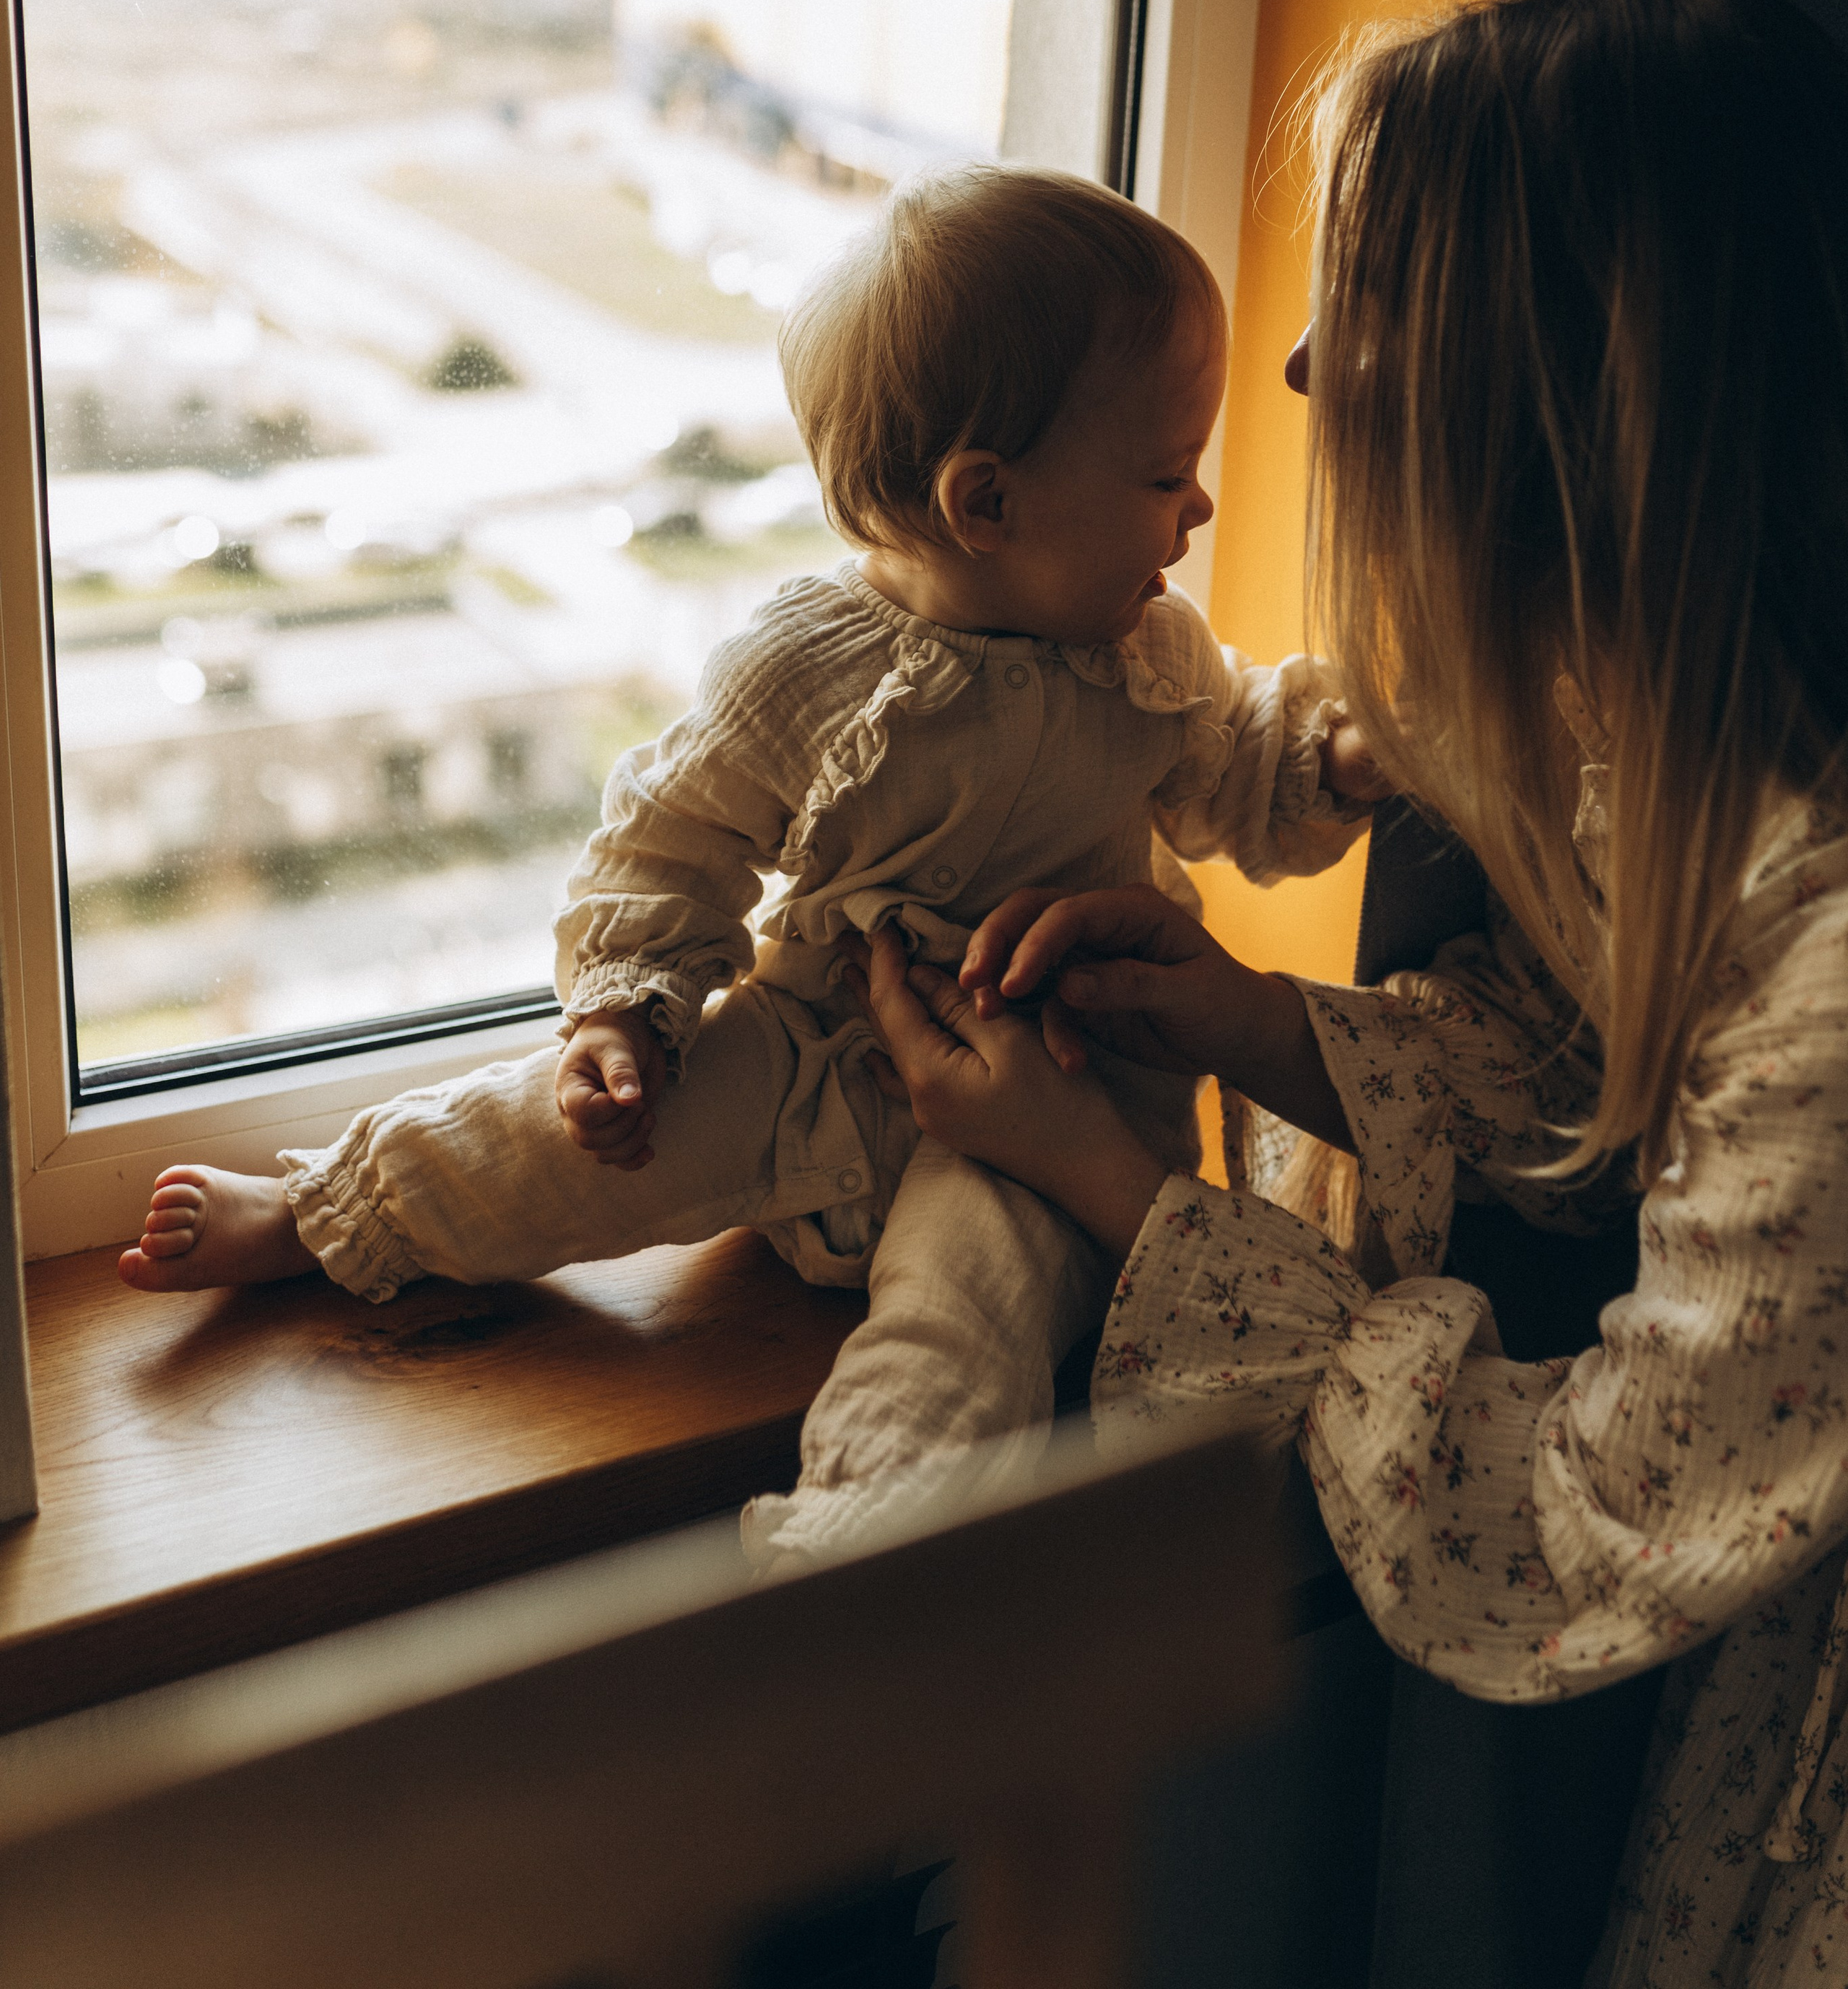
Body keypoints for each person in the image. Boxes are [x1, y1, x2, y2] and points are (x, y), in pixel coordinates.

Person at [860, 0, 1848, 1985]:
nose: (1304, 370)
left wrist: (1128, 1197)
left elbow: (1570, 1517)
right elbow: (1594, 1074)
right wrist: (1243, 1017)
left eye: (1373, 296)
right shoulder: (1664, 742)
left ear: (1563, 384)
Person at [116, 164, 1375, 1567]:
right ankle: (325, 1211)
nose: (1197, 511)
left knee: (971, 1331)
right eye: (1164, 475)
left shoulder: (1153, 656)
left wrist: (1333, 756)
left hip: (1059, 1102)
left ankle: (839, 1556)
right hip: (812, 1048)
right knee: (561, 1136)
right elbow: (671, 838)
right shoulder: (809, 669)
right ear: (985, 503)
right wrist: (623, 1017)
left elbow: (1238, 774)